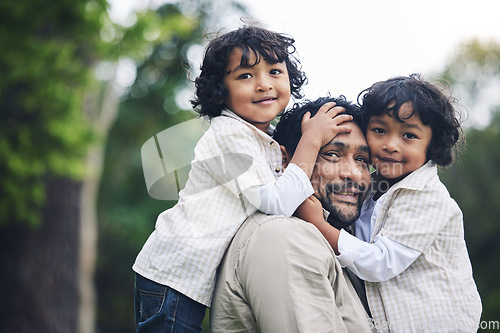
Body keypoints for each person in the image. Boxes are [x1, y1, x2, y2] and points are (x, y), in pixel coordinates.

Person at [132, 26, 352, 332]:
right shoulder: (229, 135)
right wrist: (311, 142)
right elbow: (275, 204)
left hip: (191, 278)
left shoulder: (264, 138)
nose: (264, 85)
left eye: (275, 71)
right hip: (174, 274)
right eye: (245, 76)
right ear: (220, 90)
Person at [299, 74, 482, 332]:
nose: (390, 145)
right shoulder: (374, 185)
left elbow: (380, 262)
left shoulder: (426, 196)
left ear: (432, 145)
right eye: (379, 130)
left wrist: (317, 223)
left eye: (408, 135)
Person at [211, 96, 375, 333]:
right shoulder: (283, 237)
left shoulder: (347, 242)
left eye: (362, 160)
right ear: (285, 161)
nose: (354, 174)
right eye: (331, 154)